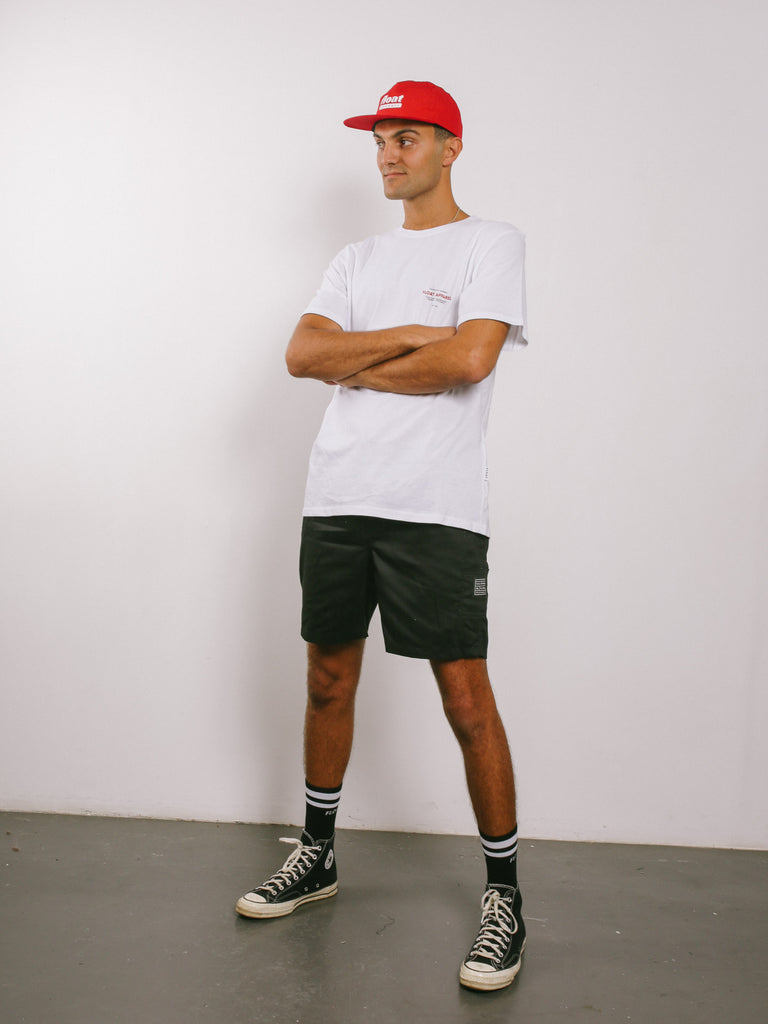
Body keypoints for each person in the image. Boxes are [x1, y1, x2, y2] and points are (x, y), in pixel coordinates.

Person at [236, 80, 529, 992]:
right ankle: (318, 853)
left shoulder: (491, 244)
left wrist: (357, 362)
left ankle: (505, 897)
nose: (388, 154)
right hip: (339, 498)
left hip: (436, 508)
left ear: (451, 146)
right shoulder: (357, 259)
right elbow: (302, 355)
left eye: (407, 137)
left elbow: (469, 359)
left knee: (466, 700)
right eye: (380, 140)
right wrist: (407, 338)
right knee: (328, 679)